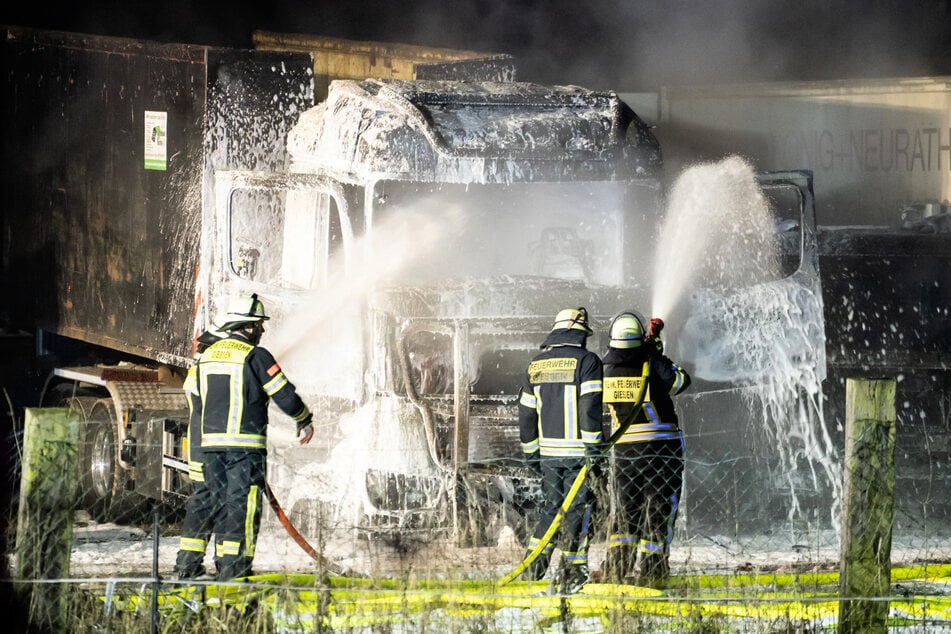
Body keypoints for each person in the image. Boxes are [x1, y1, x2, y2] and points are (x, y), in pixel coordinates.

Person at [196, 294, 315, 580]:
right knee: (243, 508)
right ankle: (236, 569)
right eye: (259, 325)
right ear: (247, 327)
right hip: (243, 449)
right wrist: (303, 418)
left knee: (221, 504)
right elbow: (284, 395)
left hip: (210, 447)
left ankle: (223, 564)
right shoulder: (255, 356)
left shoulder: (208, 355)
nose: (262, 331)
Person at [600, 312, 690, 588]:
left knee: (626, 510)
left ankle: (616, 568)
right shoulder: (650, 364)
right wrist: (657, 354)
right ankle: (652, 571)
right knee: (659, 509)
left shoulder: (605, 370)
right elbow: (680, 382)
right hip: (660, 450)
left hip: (625, 453)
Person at [518, 307, 603, 593]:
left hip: (549, 457)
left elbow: (527, 414)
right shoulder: (588, 362)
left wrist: (532, 454)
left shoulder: (536, 364)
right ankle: (572, 571)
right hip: (579, 454)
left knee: (550, 510)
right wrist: (594, 448)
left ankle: (533, 567)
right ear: (580, 334)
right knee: (578, 510)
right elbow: (589, 406)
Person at [174, 322, 226, 580]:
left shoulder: (197, 372)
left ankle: (187, 564)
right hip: (212, 453)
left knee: (202, 506)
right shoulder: (209, 373)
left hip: (200, 452)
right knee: (224, 506)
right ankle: (224, 565)